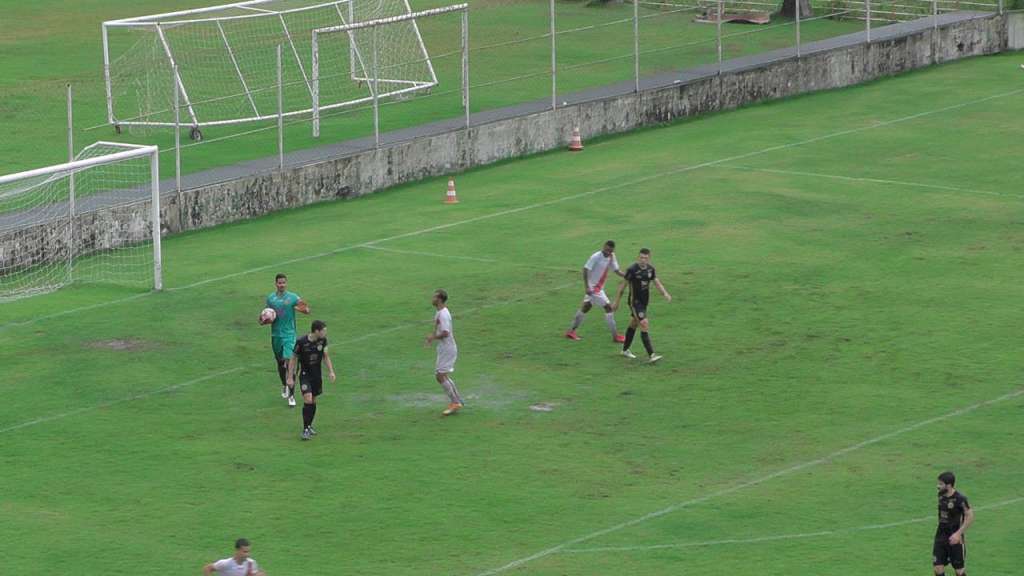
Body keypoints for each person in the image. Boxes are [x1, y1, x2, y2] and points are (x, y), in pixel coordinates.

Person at [613, 247, 671, 363]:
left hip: (644, 303)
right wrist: (616, 302)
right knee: (644, 323)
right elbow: (622, 286)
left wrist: (665, 293)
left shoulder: (650, 270)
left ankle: (625, 350)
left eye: (645, 258)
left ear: (649, 259)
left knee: (634, 324)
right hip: (635, 302)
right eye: (641, 257)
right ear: (638, 257)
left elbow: (656, 282)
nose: (643, 260)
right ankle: (652, 354)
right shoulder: (632, 270)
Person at [565, 240, 626, 343]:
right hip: (594, 289)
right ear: (603, 246)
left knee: (586, 307)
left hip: (599, 288)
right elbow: (585, 269)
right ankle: (615, 336)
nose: (607, 252)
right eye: (606, 250)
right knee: (609, 308)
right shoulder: (596, 256)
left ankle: (570, 331)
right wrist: (587, 287)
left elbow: (616, 271)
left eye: (610, 251)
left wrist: (628, 276)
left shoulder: (612, 256)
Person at [287, 320, 335, 441]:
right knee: (308, 399)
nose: (325, 333)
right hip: (305, 375)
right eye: (323, 331)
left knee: (313, 400)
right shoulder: (301, 342)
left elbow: (326, 357)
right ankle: (305, 429)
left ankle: (309, 425)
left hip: (316, 375)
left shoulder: (322, 341)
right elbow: (293, 358)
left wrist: (331, 371)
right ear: (316, 331)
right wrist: (289, 377)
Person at [265, 273, 309, 407]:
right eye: (279, 283)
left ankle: (291, 396)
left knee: (290, 363)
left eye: (284, 282)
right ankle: (284, 384)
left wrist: (299, 308)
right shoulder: (270, 299)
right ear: (276, 284)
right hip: (276, 335)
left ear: (286, 283)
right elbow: (267, 314)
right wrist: (264, 320)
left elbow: (306, 309)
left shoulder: (293, 297)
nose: (282, 285)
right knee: (280, 363)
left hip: (289, 335)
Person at [426, 289, 463, 416]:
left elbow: (446, 333)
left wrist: (433, 337)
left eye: (434, 297)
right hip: (444, 349)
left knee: (440, 376)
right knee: (442, 375)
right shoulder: (440, 312)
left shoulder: (443, 314)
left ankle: (455, 402)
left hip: (448, 348)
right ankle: (457, 400)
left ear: (440, 299)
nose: (432, 299)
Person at [933, 471, 973, 576]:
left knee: (959, 571)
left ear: (949, 485)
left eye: (941, 484)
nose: (938, 486)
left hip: (955, 538)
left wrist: (958, 534)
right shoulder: (941, 495)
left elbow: (970, 516)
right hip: (941, 536)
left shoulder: (960, 499)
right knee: (937, 568)